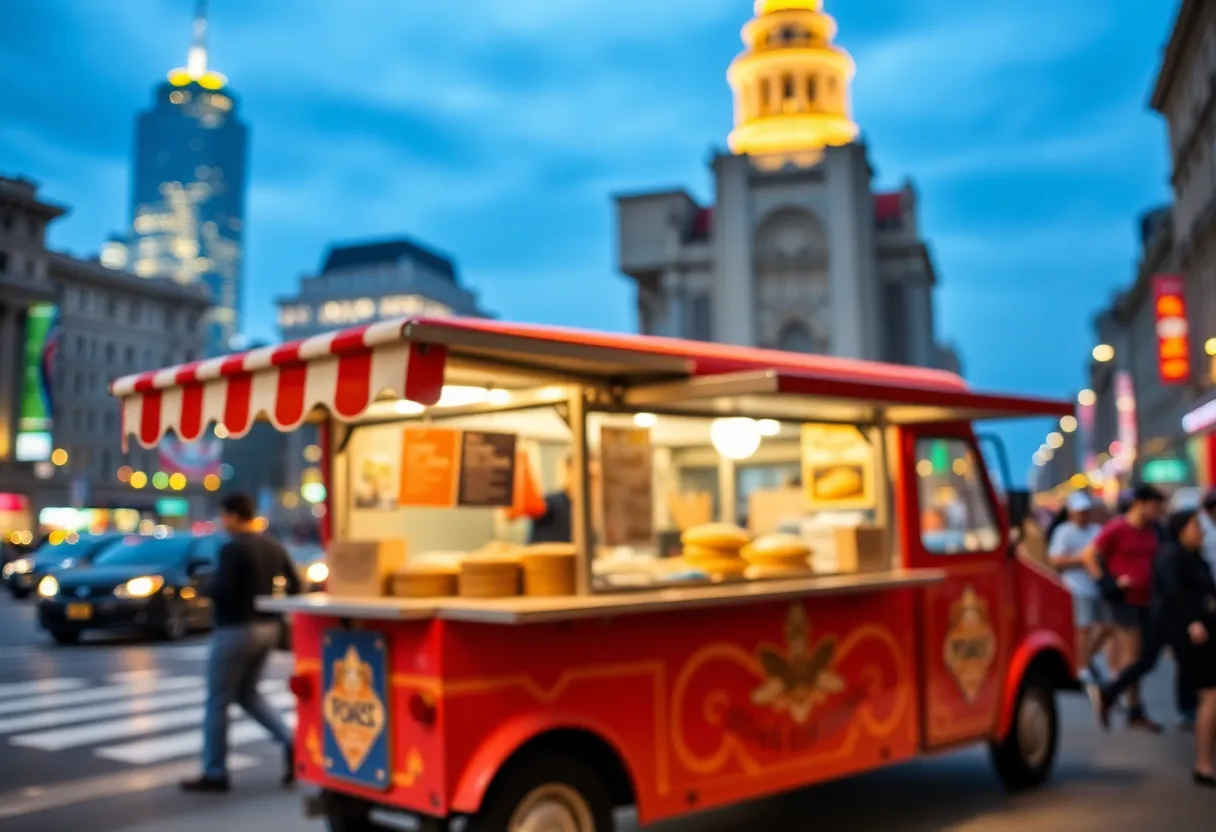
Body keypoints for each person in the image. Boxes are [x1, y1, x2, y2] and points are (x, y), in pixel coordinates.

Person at [181, 493, 300, 793]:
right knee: (247, 694)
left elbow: (225, 588)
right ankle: (291, 742)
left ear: (233, 515)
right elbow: (297, 583)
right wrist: (275, 606)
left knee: (218, 700)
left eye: (223, 516)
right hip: (267, 628)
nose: (222, 522)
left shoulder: (233, 549)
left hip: (235, 628)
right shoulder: (272, 545)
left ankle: (215, 772)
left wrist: (205, 587)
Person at [1095, 509, 1216, 785]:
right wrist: (1111, 583)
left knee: (1154, 663)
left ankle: (1120, 695)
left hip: (1172, 621)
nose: (1202, 531)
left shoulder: (1185, 552)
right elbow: (1173, 593)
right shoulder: (1171, 554)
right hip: (1167, 621)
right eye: (1196, 526)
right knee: (1158, 665)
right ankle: (1116, 693)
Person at [1081, 483, 1167, 732]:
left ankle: (1128, 704)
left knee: (1139, 657)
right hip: (1124, 600)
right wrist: (1107, 582)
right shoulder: (1118, 527)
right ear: (1139, 504)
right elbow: (1090, 554)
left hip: (1146, 599)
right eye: (1154, 506)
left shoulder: (1153, 531)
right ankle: (1126, 704)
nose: (1157, 511)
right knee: (1133, 655)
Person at [1048, 492, 1108, 682]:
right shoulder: (1064, 532)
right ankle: (1081, 667)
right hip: (1076, 587)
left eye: (1086, 512)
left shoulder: (1096, 530)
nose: (1083, 516)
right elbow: (1055, 560)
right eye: (1079, 512)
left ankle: (1084, 658)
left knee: (1107, 626)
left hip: (1097, 586)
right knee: (1084, 627)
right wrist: (1082, 559)